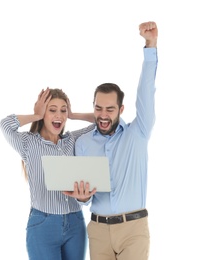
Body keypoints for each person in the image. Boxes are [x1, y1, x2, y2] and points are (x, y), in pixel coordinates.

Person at [63, 21, 158, 260]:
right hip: (98, 230)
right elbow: (86, 197)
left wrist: (150, 45)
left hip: (133, 229)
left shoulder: (138, 132)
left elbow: (146, 91)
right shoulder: (83, 143)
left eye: (109, 109)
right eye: (98, 108)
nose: (103, 115)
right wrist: (83, 196)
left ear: (121, 109)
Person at [0, 87, 95, 260]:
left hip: (75, 223)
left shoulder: (72, 140)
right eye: (52, 110)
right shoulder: (28, 143)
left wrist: (74, 115)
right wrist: (35, 115)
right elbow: (5, 125)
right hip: (43, 225)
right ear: (43, 113)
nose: (59, 115)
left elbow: (104, 121)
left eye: (63, 110)